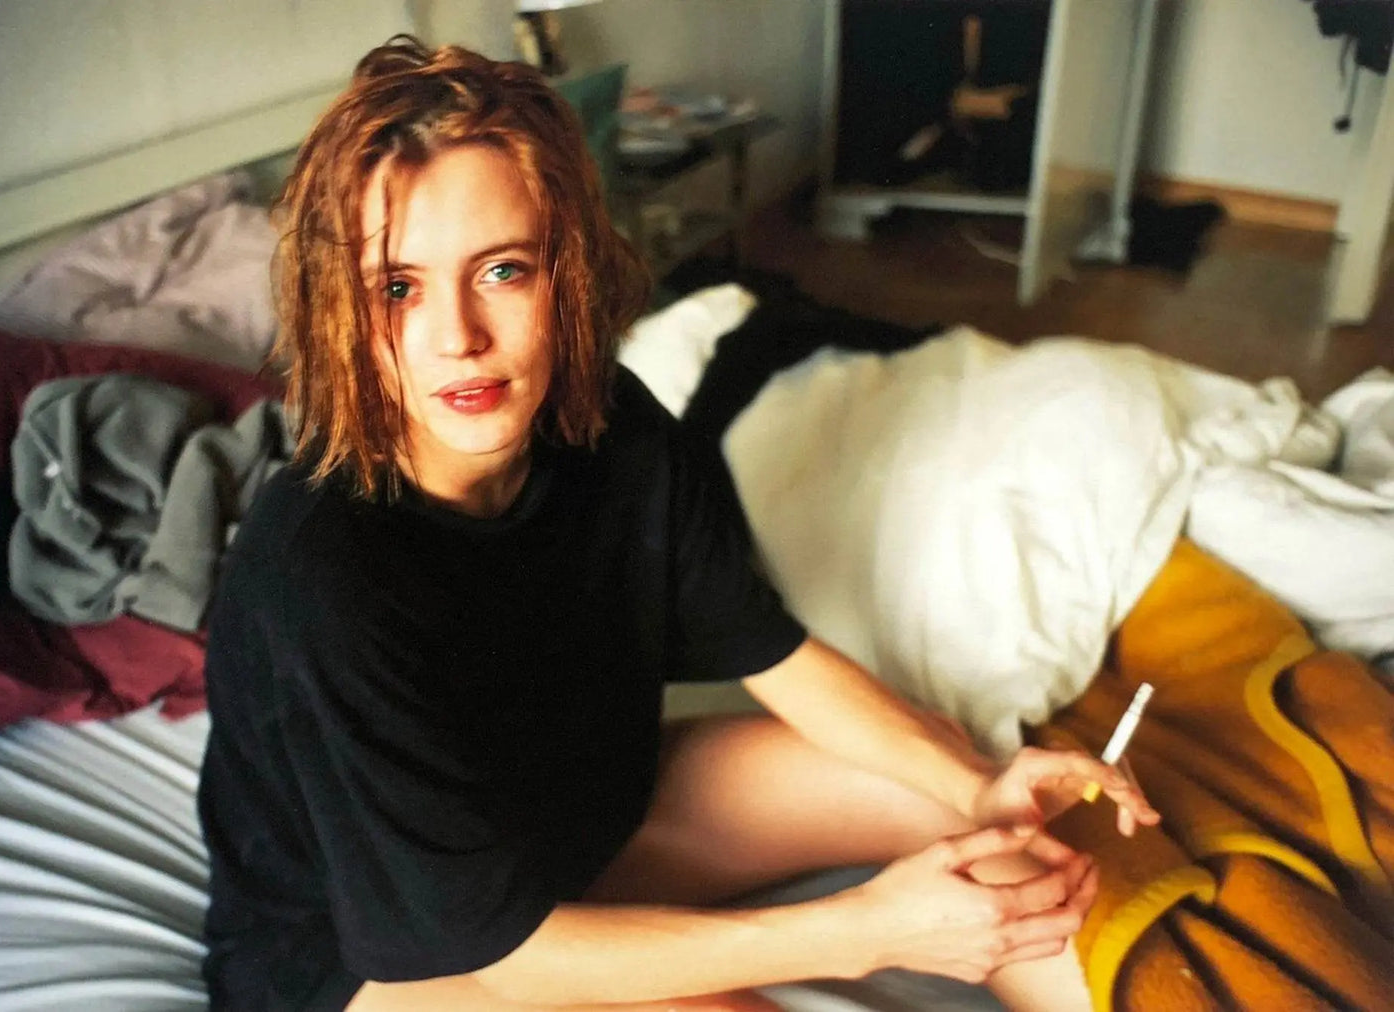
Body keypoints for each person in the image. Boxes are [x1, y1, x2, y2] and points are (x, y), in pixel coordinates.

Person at [196, 36, 1159, 1012]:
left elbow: (776, 654)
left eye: (501, 271)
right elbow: (504, 953)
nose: (458, 337)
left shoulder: (614, 429)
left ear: (564, 271)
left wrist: (974, 787)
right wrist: (870, 927)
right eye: (396, 289)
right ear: (340, 312)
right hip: (395, 963)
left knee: (983, 824)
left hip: (584, 829)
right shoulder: (321, 572)